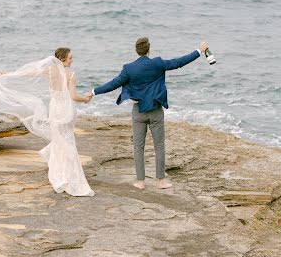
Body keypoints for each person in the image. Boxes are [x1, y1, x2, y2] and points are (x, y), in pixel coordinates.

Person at [86, 37, 209, 190]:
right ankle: (160, 181)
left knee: (138, 147)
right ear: (148, 50)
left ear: (135, 50)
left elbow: (113, 84)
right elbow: (179, 63)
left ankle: (140, 182)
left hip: (138, 112)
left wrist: (93, 92)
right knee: (159, 146)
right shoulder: (157, 63)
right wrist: (199, 50)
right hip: (156, 110)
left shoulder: (128, 68)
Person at [0, 48, 94, 197]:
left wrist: (7, 74)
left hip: (55, 109)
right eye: (70, 58)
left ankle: (61, 175)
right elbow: (73, 96)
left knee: (60, 140)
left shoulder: (49, 71)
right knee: (67, 140)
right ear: (63, 59)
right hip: (67, 110)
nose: (72, 60)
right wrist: (86, 99)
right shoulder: (71, 75)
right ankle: (71, 176)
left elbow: (26, 73)